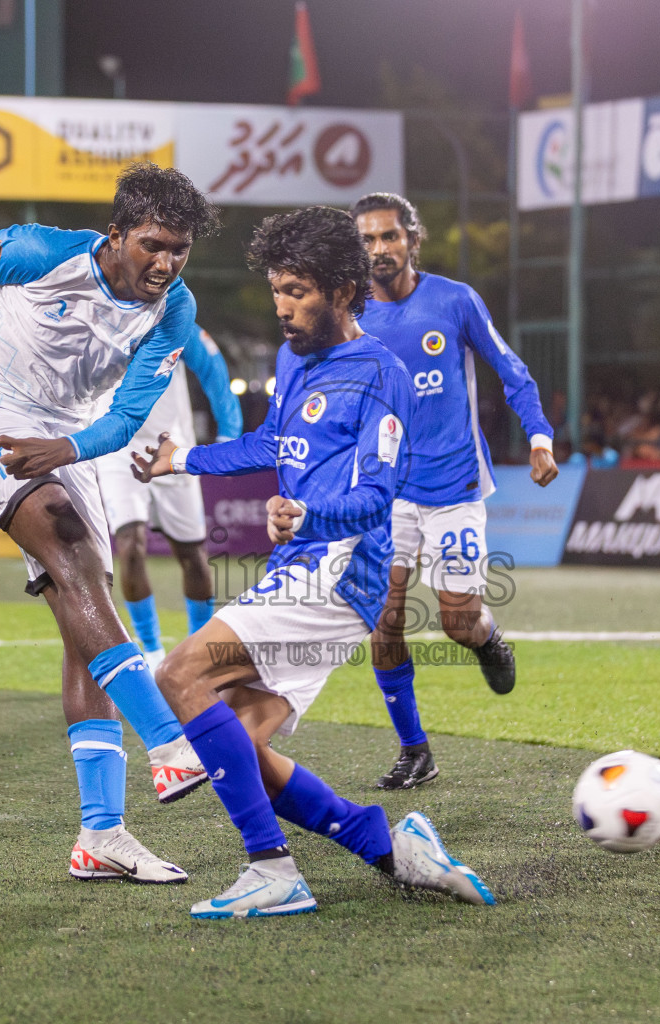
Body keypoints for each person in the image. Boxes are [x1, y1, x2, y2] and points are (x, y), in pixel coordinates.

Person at [133, 206, 496, 919]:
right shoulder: (295, 358)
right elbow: (273, 440)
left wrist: (310, 515)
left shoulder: (379, 374)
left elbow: (376, 497)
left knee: (180, 673)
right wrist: (184, 461)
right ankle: (385, 845)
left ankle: (272, 870)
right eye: (276, 291)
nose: (282, 307)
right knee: (236, 746)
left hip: (338, 574)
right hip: (302, 568)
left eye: (296, 291)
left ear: (339, 288)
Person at [0, 164, 220, 885]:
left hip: (71, 441)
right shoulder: (43, 250)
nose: (166, 263)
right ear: (117, 233)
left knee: (82, 620)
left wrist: (66, 448)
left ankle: (101, 835)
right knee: (75, 557)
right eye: (153, 244)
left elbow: (125, 418)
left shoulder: (173, 311)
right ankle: (167, 742)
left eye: (179, 250)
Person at [350, 192, 558, 791]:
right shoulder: (352, 313)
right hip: (386, 492)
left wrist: (539, 437)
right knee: (383, 620)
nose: (378, 249)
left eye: (389, 236)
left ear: (413, 239)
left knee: (455, 622)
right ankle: (415, 750)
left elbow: (511, 369)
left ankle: (487, 638)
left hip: (456, 486)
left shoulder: (455, 300)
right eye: (366, 240)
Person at [97, 326, 242, 672]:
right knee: (130, 545)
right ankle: (151, 650)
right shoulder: (97, 314)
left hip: (171, 447)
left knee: (192, 554)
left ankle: (198, 646)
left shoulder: (175, 316)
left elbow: (213, 370)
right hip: (117, 449)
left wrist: (229, 435)